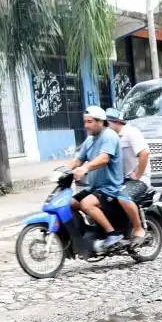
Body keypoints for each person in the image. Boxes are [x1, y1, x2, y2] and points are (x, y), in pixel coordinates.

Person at [72, 106, 125, 252]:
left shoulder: (109, 136)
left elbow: (104, 158)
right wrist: (62, 170)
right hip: (94, 187)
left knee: (86, 204)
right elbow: (78, 160)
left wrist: (86, 168)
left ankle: (112, 234)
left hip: (110, 187)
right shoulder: (89, 140)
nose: (86, 125)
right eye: (85, 122)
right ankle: (87, 231)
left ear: (100, 122)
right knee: (69, 204)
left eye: (89, 122)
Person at [105, 107, 151, 242]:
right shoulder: (109, 138)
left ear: (116, 122)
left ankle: (138, 229)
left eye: (107, 123)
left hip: (139, 179)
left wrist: (138, 174)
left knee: (123, 198)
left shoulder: (131, 133)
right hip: (120, 180)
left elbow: (144, 153)